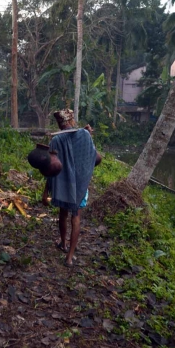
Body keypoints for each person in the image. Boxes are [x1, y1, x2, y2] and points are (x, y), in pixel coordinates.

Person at [41, 109, 101, 267]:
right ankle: (69, 256)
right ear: (72, 121)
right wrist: (88, 135)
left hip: (64, 184)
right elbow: (95, 157)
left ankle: (63, 243)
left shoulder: (56, 140)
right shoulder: (86, 135)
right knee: (76, 216)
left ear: (60, 123)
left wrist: (46, 190)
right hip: (81, 185)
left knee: (63, 213)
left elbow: (51, 168)